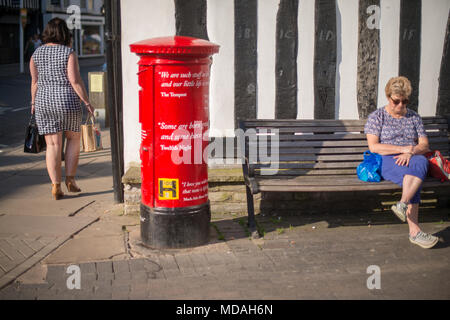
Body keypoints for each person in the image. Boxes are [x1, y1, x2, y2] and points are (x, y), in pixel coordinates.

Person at [364, 76, 438, 249]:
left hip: (412, 157)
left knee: (420, 163)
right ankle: (415, 232)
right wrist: (402, 149)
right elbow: (374, 147)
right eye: (396, 101)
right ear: (388, 97)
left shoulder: (414, 117)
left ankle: (402, 204)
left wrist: (410, 151)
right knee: (414, 176)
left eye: (404, 101)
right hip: (387, 159)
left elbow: (424, 145)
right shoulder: (377, 116)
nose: (400, 106)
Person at [29, 18, 94, 200]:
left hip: (44, 102)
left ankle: (55, 185)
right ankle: (71, 180)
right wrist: (87, 102)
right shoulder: (68, 52)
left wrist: (33, 103)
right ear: (65, 33)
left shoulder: (36, 54)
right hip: (67, 102)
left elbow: (34, 82)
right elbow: (74, 80)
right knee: (73, 139)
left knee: (52, 145)